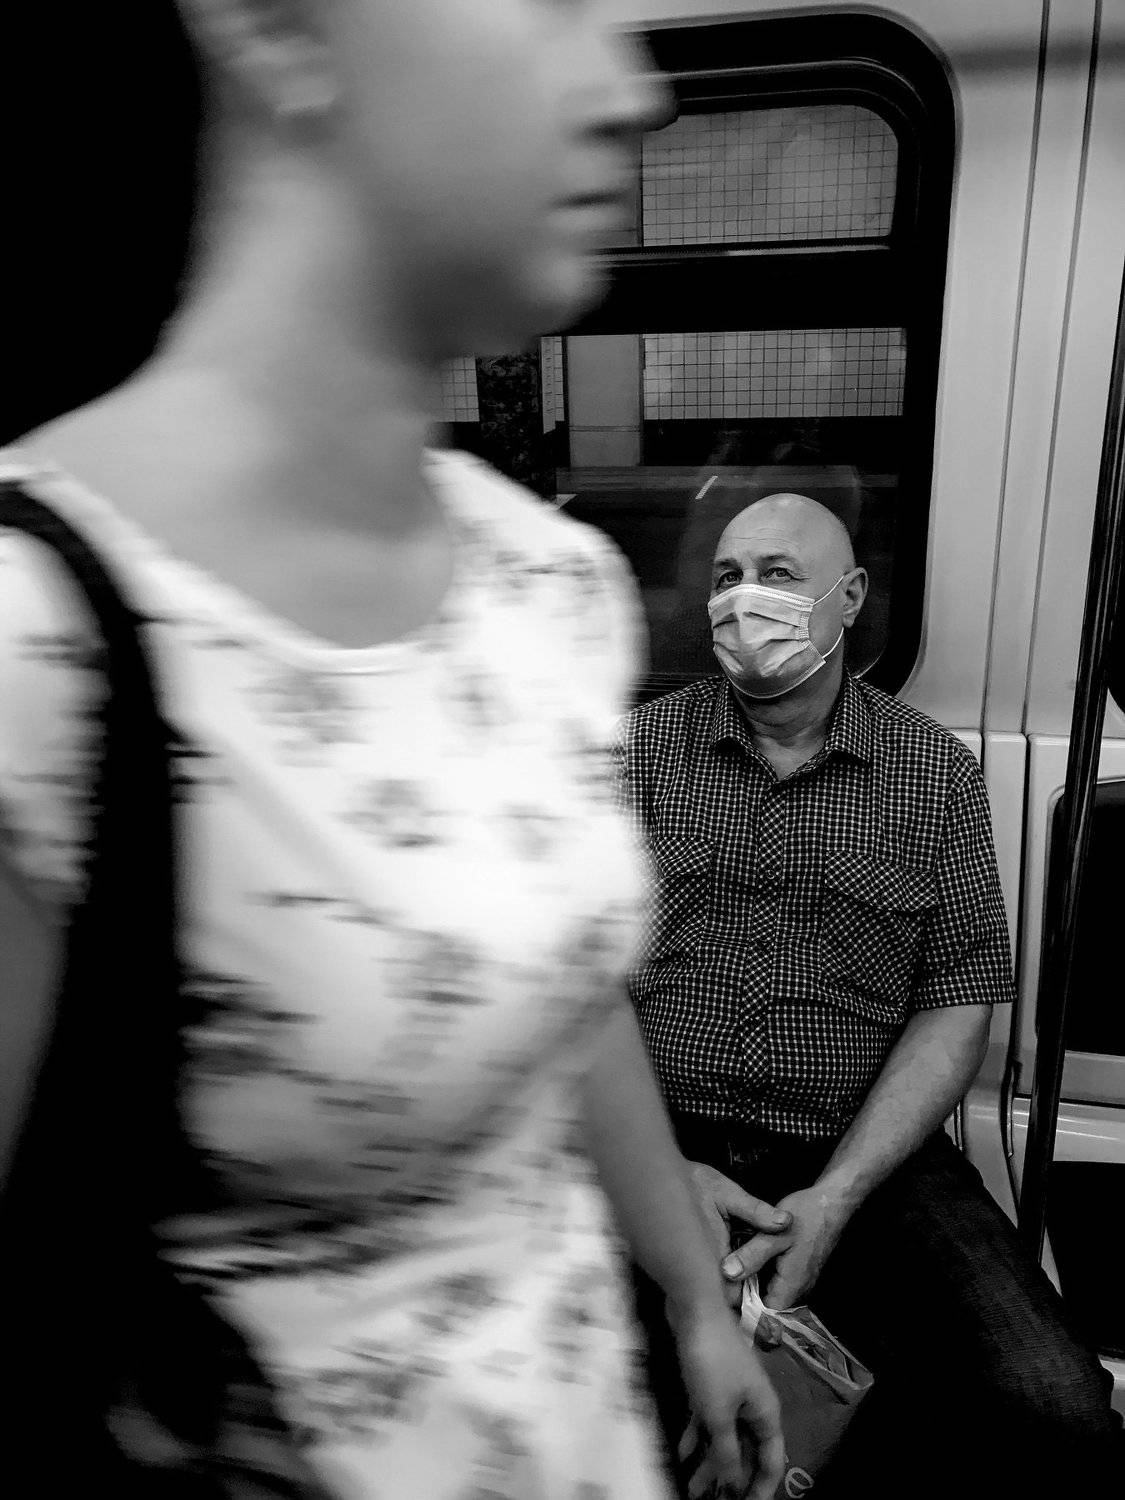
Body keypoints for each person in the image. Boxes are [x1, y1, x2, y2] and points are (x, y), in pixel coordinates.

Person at [0, 4, 785, 1497]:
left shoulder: (550, 587)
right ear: (277, 29)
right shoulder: (42, 634)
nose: (629, 88)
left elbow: (552, 994)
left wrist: (695, 1298)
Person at [619, 492, 1124, 1497]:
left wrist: (838, 1195)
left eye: (777, 576)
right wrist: (662, 1171)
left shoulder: (933, 774)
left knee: (1055, 1403)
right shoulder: (633, 757)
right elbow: (575, 991)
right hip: (655, 1131)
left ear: (848, 598)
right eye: (726, 579)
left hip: (861, 1146)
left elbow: (956, 999)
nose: (744, 602)